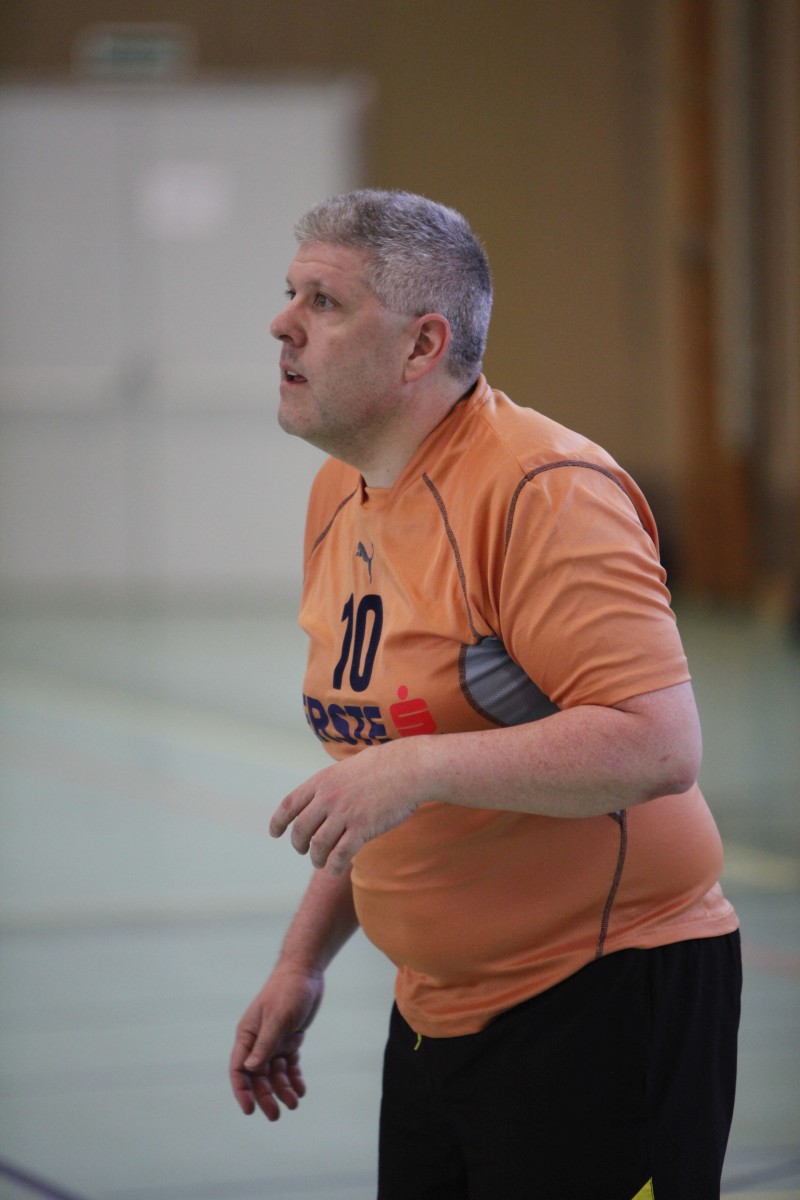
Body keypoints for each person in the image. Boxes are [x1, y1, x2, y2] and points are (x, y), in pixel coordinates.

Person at [229, 189, 741, 1200]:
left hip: (600, 997)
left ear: (422, 347)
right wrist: (302, 961)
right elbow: (379, 780)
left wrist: (417, 767)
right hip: (435, 1012)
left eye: (324, 302)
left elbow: (657, 746)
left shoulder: (541, 489)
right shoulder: (340, 493)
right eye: (291, 293)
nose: (282, 323)